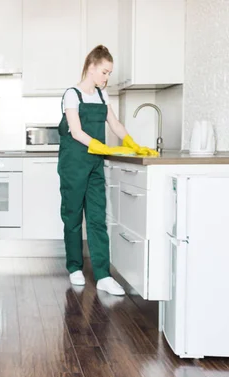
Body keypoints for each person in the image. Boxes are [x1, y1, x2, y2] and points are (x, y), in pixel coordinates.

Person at [58, 45, 158, 296]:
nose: (106, 78)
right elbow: (75, 130)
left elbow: (114, 123)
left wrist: (132, 143)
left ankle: (102, 274)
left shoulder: (103, 96)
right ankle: (74, 267)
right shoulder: (72, 95)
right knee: (72, 217)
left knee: (96, 218)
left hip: (94, 165)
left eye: (109, 73)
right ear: (91, 67)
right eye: (104, 72)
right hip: (73, 163)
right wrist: (96, 144)